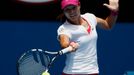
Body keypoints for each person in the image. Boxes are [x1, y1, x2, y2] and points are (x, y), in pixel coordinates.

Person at [57, 0, 119, 75]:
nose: (71, 12)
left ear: (79, 6)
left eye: (74, 8)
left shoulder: (90, 17)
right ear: (64, 11)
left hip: (93, 71)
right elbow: (64, 43)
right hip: (72, 73)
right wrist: (69, 46)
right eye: (67, 9)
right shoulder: (64, 29)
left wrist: (114, 12)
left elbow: (108, 25)